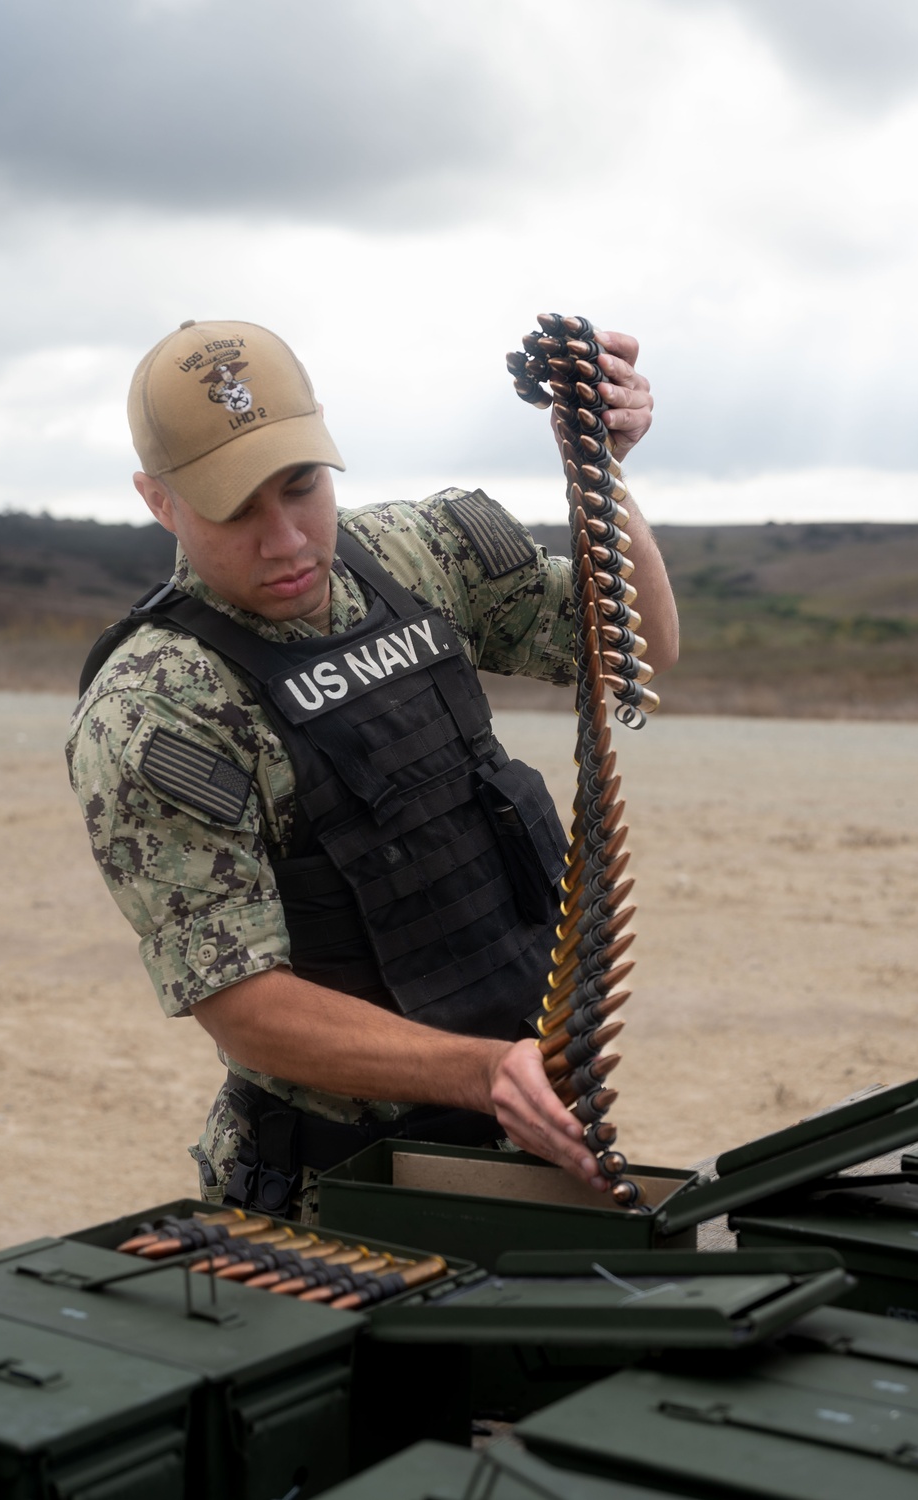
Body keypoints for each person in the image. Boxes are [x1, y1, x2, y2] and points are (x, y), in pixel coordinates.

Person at [67, 318, 678, 1221]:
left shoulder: (419, 554)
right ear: (158, 502)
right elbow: (244, 1003)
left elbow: (636, 653)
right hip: (335, 1185)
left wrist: (600, 470)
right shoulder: (154, 707)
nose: (286, 541)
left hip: (524, 1131)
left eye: (301, 485)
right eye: (236, 508)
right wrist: (485, 1073)